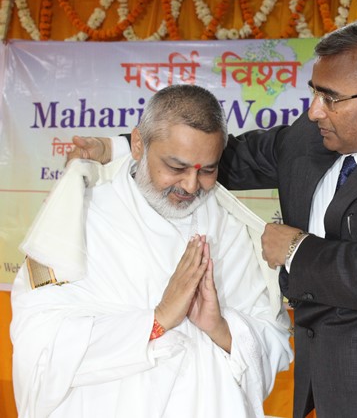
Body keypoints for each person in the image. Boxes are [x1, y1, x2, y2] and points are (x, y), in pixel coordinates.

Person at [69, 20, 357, 418]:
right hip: (343, 390)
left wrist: (295, 249)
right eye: (314, 92)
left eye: (330, 97)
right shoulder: (311, 136)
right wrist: (119, 148)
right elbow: (215, 159)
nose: (314, 109)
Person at [11, 84, 293, 418]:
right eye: (176, 167)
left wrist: (219, 327)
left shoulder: (229, 229)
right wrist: (156, 321)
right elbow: (38, 343)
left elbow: (272, 338)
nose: (191, 185)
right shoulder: (79, 220)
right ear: (137, 145)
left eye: (208, 170)